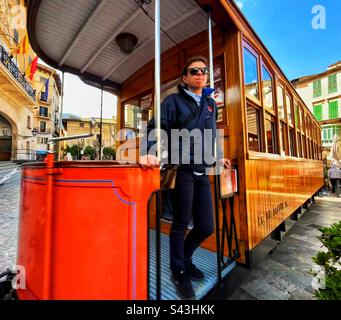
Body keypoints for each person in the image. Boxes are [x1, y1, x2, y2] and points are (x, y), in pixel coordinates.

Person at [140, 56, 230, 299]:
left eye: (203, 70)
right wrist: (147, 153)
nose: (200, 74)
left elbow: (212, 135)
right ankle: (178, 270)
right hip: (182, 169)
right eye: (194, 71)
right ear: (185, 78)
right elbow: (155, 127)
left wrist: (218, 157)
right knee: (180, 223)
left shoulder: (211, 105)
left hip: (203, 169)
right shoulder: (173, 101)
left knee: (206, 226)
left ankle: (185, 258)